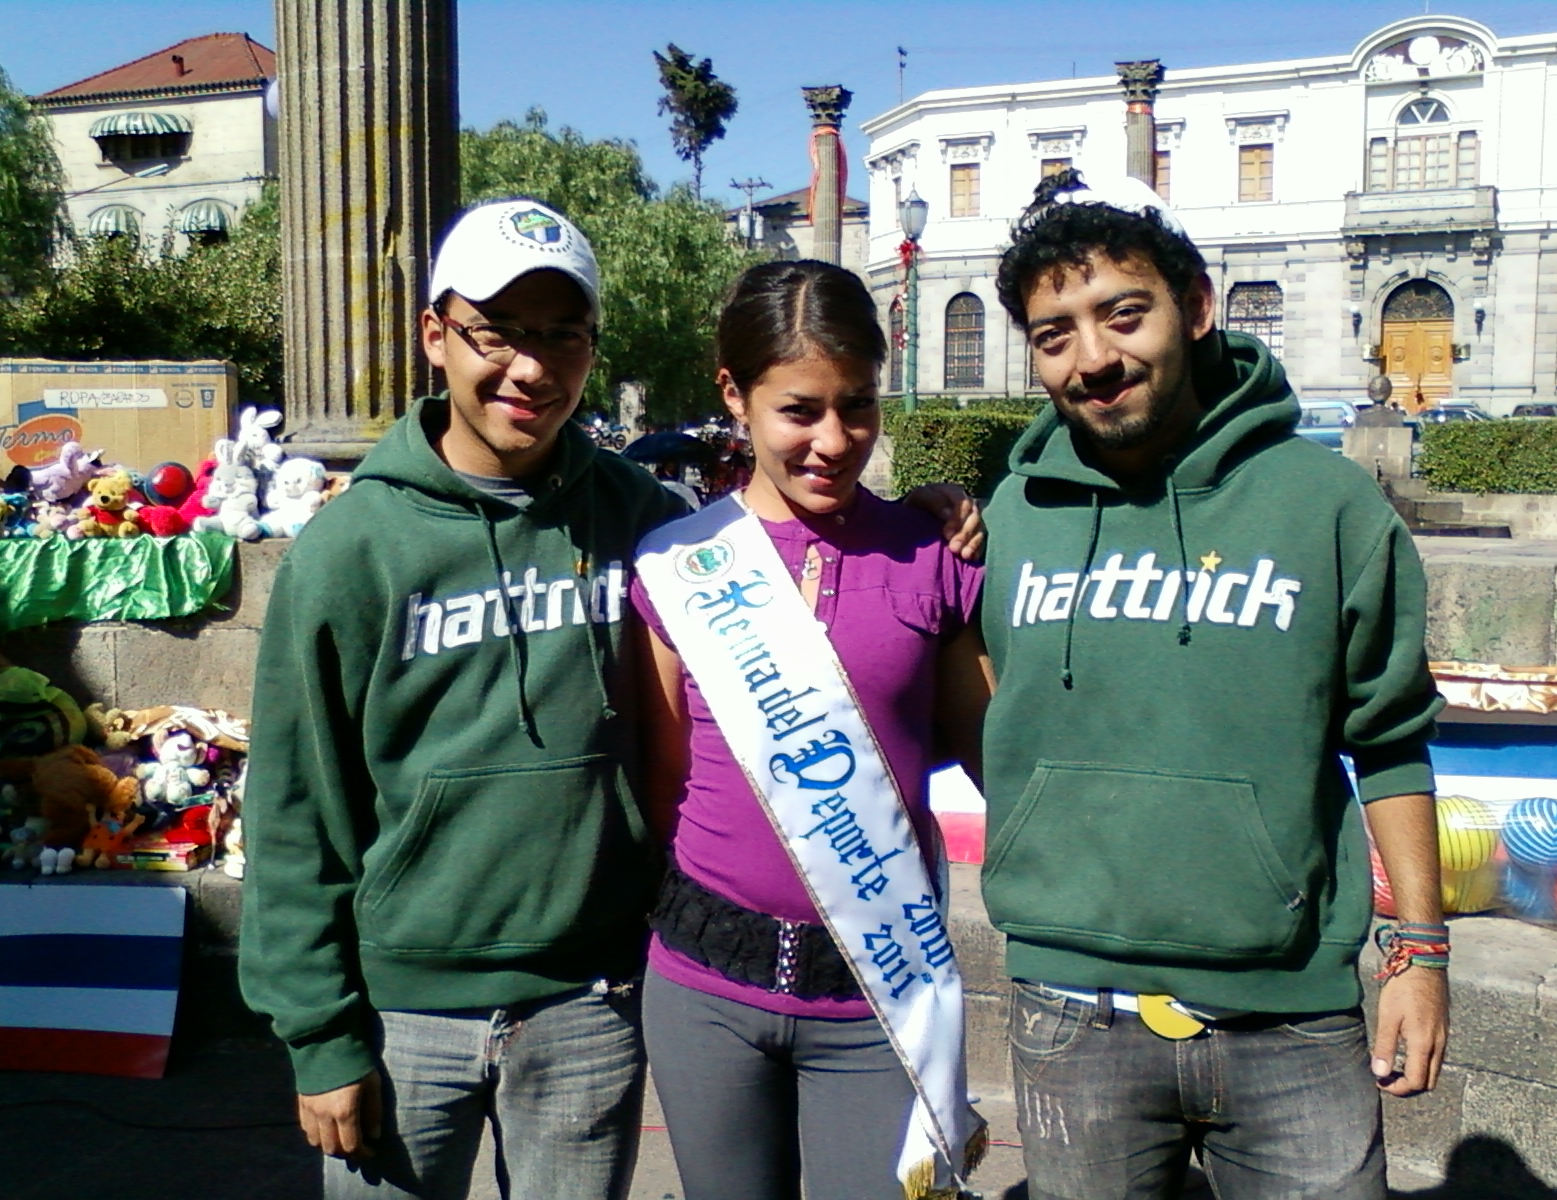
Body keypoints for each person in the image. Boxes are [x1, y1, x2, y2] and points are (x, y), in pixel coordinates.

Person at [977, 174, 1448, 1199]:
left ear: (1193, 308)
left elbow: (1392, 738)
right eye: (1053, 334)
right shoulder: (1004, 517)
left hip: (1292, 1022)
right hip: (1070, 1007)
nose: (1092, 358)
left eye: (1122, 315)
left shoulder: (1325, 506)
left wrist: (1419, 953)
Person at [238, 199, 687, 1200]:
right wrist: (320, 1037)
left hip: (588, 1006)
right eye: (498, 333)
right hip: (403, 1021)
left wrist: (924, 523)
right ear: (437, 337)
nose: (531, 368)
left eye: (560, 335)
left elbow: (791, 563)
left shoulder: (647, 520)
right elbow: (292, 810)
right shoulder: (350, 551)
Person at [630, 260, 992, 1200]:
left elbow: (974, 749)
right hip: (705, 991)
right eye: (799, 410)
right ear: (734, 396)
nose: (834, 441)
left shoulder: (933, 557)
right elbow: (667, 781)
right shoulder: (676, 566)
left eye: (859, 407)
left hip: (880, 995)